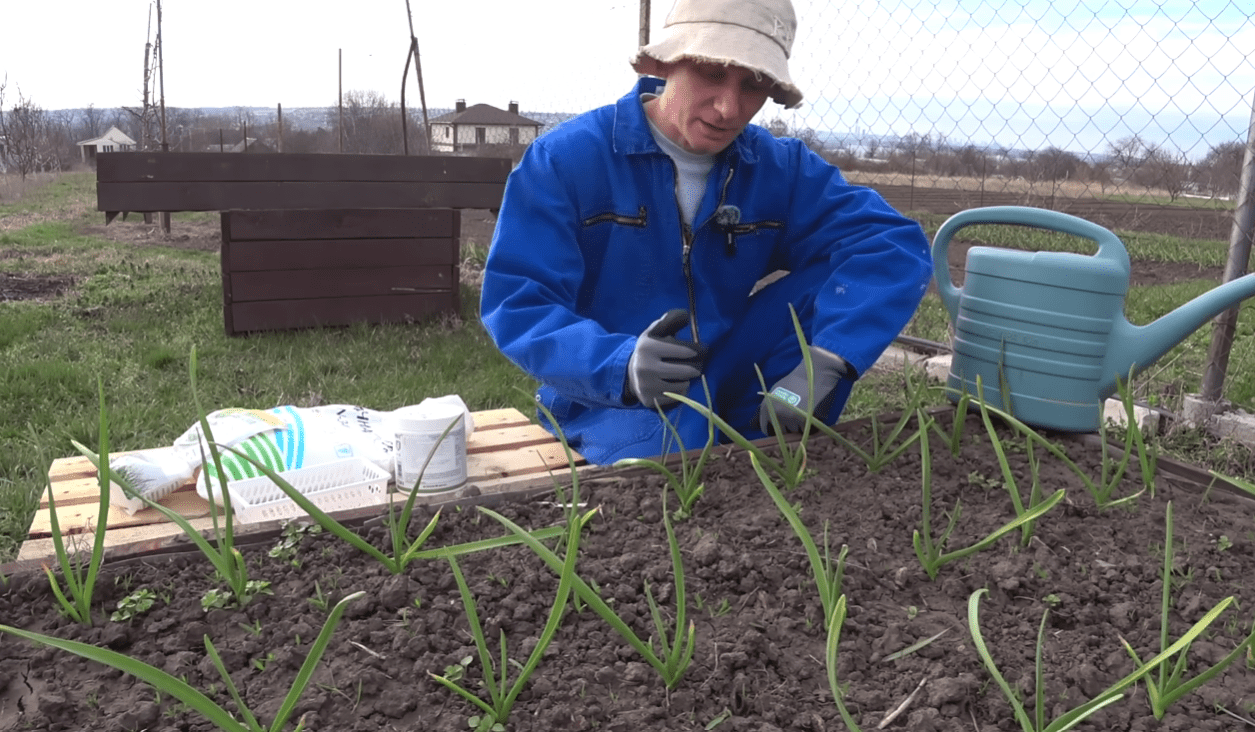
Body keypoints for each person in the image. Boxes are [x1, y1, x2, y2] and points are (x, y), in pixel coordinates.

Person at [480, 0, 933, 465]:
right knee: (673, 471)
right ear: (667, 61)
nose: (729, 108)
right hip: (610, 398)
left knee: (834, 281)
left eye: (754, 85)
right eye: (714, 72)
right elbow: (518, 302)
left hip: (731, 365)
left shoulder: (778, 168)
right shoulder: (566, 161)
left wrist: (830, 359)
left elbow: (891, 244)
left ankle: (778, 430)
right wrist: (620, 365)